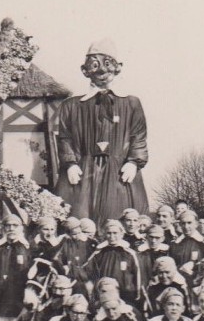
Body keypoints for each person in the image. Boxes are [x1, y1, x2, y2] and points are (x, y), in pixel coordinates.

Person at [54, 39, 150, 223]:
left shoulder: (131, 103)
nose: (102, 72)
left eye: (107, 65)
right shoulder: (71, 106)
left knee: (119, 216)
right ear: (85, 70)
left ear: (118, 67)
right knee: (78, 218)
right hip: (83, 170)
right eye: (95, 66)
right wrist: (70, 163)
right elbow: (64, 137)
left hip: (119, 171)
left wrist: (134, 162)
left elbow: (138, 135)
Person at [82, 219, 143, 308]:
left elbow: (138, 276)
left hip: (125, 297)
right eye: (109, 233)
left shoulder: (130, 254)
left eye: (115, 233)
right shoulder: (99, 252)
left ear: (121, 234)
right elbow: (88, 272)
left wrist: (137, 296)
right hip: (104, 296)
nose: (112, 236)